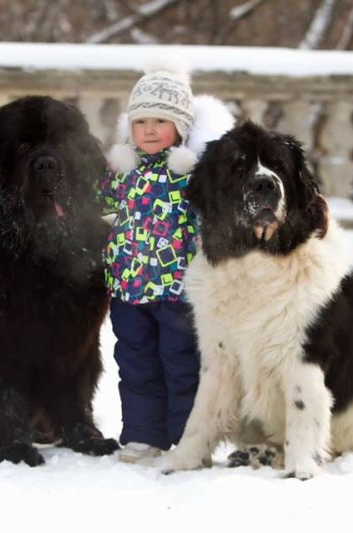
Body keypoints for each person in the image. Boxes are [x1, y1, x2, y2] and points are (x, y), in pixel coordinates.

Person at [98, 64, 234, 463]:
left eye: (161, 120)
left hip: (177, 291)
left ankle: (191, 438)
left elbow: (216, 214)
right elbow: (94, 203)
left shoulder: (190, 173)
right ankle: (143, 435)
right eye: (141, 121)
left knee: (182, 363)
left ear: (181, 125)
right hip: (127, 287)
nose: (150, 130)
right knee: (135, 362)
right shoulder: (121, 171)